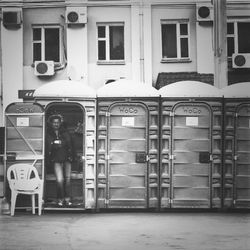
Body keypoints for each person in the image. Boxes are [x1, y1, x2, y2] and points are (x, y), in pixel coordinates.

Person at [46, 114, 73, 207]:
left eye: (58, 122)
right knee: (60, 180)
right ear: (51, 123)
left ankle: (68, 199)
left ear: (60, 123)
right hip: (56, 160)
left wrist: (72, 157)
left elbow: (71, 145)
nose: (56, 124)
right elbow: (48, 147)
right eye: (54, 122)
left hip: (67, 159)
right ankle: (60, 199)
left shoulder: (65, 132)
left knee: (68, 180)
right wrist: (55, 144)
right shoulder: (48, 133)